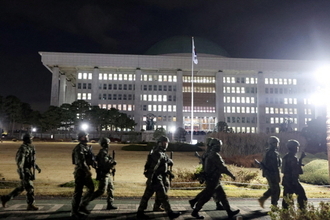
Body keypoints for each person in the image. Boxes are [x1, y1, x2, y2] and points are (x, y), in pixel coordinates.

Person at [191, 138, 240, 219]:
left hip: (214, 180)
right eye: (218, 145)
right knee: (206, 197)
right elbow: (222, 167)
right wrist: (231, 175)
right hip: (212, 180)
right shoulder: (215, 156)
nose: (219, 147)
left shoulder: (209, 154)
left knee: (222, 196)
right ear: (214, 146)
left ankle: (229, 212)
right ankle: (195, 211)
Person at [137, 136, 181, 219]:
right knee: (163, 196)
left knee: (147, 196)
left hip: (158, 177)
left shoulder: (161, 153)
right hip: (156, 178)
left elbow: (163, 165)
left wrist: (168, 172)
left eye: (167, 143)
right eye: (164, 142)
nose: (166, 144)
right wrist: (150, 179)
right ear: (160, 143)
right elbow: (153, 167)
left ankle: (140, 212)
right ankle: (170, 213)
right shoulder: (157, 153)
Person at [1, 133, 41, 210]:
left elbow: (31, 161)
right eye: (30, 139)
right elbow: (20, 162)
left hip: (28, 169)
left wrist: (36, 167)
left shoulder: (30, 148)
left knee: (22, 188)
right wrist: (22, 172)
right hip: (24, 170)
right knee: (30, 187)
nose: (31, 140)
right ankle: (30, 204)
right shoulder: (23, 148)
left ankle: (6, 198)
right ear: (26, 139)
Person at [190, 137, 225, 211]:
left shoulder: (208, 152)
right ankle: (196, 205)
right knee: (210, 191)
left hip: (212, 174)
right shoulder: (209, 153)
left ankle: (195, 202)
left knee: (212, 190)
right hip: (211, 175)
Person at [71, 131, 95, 219]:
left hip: (85, 170)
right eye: (86, 136)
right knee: (78, 192)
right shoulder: (79, 148)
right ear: (81, 137)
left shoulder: (86, 147)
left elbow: (89, 158)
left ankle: (82, 205)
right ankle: (74, 211)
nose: (87, 137)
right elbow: (81, 161)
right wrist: (87, 171)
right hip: (81, 172)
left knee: (91, 188)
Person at [89, 137, 117, 210]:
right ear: (104, 144)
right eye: (108, 143)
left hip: (107, 173)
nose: (109, 145)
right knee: (101, 191)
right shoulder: (102, 153)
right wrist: (112, 163)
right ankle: (84, 201)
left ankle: (110, 204)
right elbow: (105, 163)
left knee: (111, 188)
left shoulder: (105, 152)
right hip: (103, 174)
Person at [281, 139, 307, 209]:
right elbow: (296, 170)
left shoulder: (285, 157)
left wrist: (300, 159)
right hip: (293, 181)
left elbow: (285, 169)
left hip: (286, 180)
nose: (297, 149)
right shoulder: (293, 158)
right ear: (294, 148)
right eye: (297, 147)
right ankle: (302, 212)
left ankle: (285, 213)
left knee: (287, 198)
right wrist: (294, 182)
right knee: (302, 196)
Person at [258, 136, 282, 208]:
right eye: (277, 143)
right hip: (272, 173)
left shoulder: (268, 152)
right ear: (273, 143)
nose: (277, 144)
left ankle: (263, 199)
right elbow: (274, 166)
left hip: (269, 173)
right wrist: (277, 176)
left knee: (273, 188)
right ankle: (274, 205)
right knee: (276, 190)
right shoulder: (272, 153)